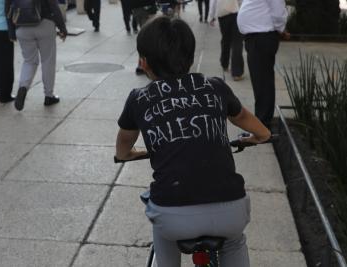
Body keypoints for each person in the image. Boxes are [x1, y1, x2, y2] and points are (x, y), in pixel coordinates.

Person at [115, 16, 271, 267]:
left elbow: (124, 141)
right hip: (230, 210)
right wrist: (262, 135)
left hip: (173, 216)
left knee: (163, 231)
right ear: (190, 57)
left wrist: (126, 154)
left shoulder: (139, 99)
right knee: (234, 241)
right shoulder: (215, 87)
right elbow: (241, 116)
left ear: (143, 63)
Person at [7, 0, 67, 111]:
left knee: (29, 61)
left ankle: (23, 87)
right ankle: (49, 96)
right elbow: (53, 6)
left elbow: (8, 8)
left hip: (22, 26)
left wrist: (11, 31)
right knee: (48, 60)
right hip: (45, 24)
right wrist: (62, 28)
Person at [237, 0, 289, 129]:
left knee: (263, 82)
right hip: (256, 37)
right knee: (260, 82)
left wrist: (280, 29)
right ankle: (262, 122)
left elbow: (278, 12)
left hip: (262, 37)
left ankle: (263, 124)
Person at [209, 0, 244, 81]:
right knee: (237, 42)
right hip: (235, 12)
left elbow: (213, 2)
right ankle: (237, 72)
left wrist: (211, 16)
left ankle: (224, 64)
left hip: (222, 14)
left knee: (226, 39)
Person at [130, 0, 156, 74]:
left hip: (140, 8)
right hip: (145, 8)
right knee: (147, 36)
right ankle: (143, 62)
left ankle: (143, 62)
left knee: (146, 35)